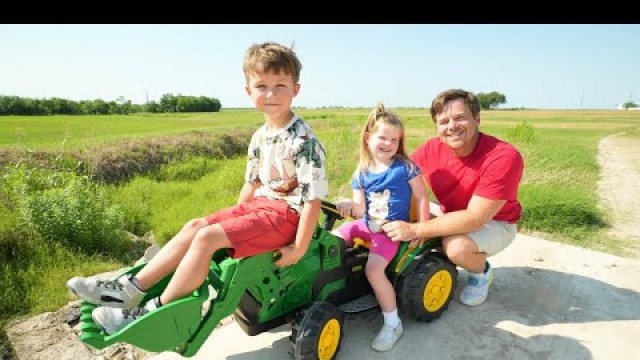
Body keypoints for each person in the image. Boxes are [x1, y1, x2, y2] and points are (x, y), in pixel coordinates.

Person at [66, 42, 329, 335]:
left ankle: (149, 312)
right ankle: (129, 289)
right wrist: (236, 216)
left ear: (296, 89)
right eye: (262, 85)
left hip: (287, 216)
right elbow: (251, 185)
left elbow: (312, 200)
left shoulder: (304, 141)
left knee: (206, 238)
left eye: (280, 85)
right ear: (248, 91)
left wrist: (298, 248)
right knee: (195, 226)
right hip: (260, 209)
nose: (271, 94)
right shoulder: (259, 137)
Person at [382, 88, 524, 307]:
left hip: (495, 221)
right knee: (399, 201)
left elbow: (476, 218)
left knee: (455, 247)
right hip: (452, 212)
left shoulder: (503, 156)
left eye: (460, 118)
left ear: (477, 119)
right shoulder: (432, 149)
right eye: (444, 121)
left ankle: (480, 273)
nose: (452, 127)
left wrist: (415, 230)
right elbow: (397, 176)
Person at [332, 104, 429, 352]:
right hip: (366, 225)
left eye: (394, 139)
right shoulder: (361, 172)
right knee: (330, 244)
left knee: (374, 270)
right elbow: (360, 209)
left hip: (389, 230)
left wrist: (422, 228)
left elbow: (422, 197)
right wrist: (347, 204)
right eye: (382, 137)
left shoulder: (405, 167)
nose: (388, 143)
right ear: (368, 137)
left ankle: (392, 323)